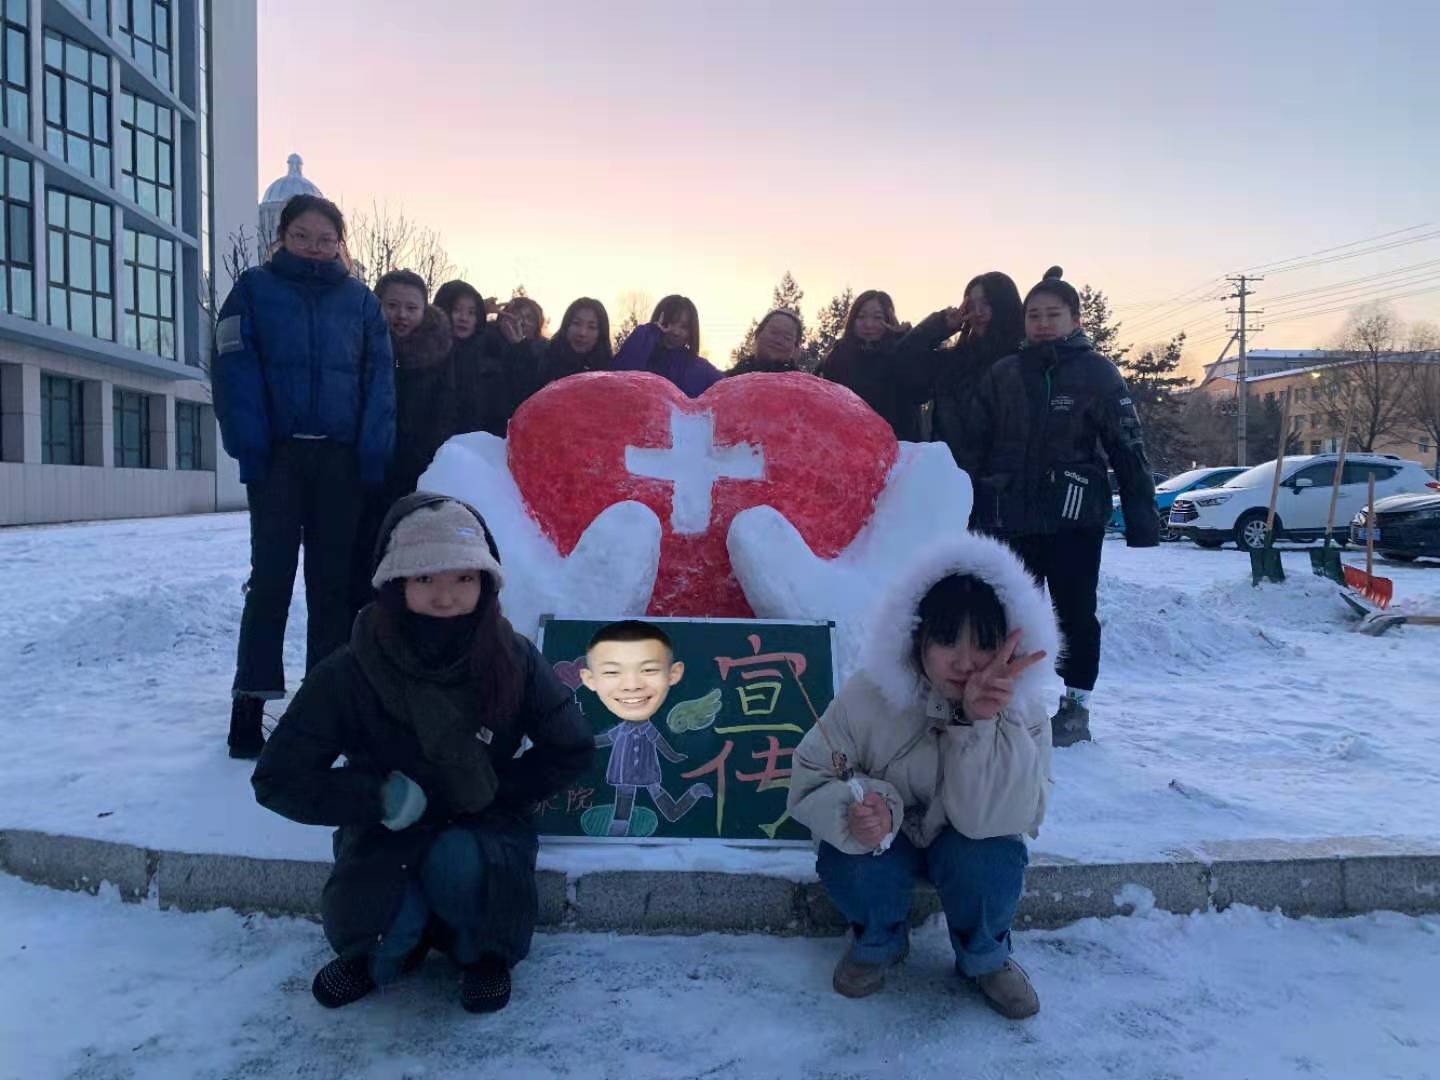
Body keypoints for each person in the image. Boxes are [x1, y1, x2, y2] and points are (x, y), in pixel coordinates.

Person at [252, 494, 595, 1013]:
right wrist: (377, 796)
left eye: (463, 577)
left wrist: (498, 790)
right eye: (425, 578)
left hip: (483, 831)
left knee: (458, 862)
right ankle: (388, 946)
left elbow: (569, 746)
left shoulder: (513, 656)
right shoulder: (350, 670)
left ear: (486, 583)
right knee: (382, 936)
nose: (445, 596)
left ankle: (481, 954)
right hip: (386, 835)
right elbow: (278, 777)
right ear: (396, 584)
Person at [788, 535, 1058, 1019]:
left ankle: (985, 956)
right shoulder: (869, 696)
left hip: (967, 841)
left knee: (991, 853)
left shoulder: (1024, 711)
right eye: (947, 639)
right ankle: (879, 940)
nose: (965, 660)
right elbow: (810, 775)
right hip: (890, 846)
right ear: (917, 639)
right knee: (852, 857)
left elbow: (1008, 816)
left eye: (985, 643)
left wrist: (981, 723)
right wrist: (859, 808)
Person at [212, 194, 394, 760]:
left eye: (326, 238)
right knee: (269, 579)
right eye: (303, 236)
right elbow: (233, 369)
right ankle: (249, 703)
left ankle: (324, 706)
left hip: (339, 462)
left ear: (341, 243)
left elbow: (379, 381)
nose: (315, 247)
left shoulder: (361, 302)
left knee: (331, 587)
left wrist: (371, 452)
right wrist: (252, 446)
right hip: (278, 459)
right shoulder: (252, 292)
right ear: (282, 237)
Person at [956, 267, 1159, 746]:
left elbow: (1128, 446)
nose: (1043, 323)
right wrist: (971, 502)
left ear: (1074, 318)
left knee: (1073, 613)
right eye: (1034, 315)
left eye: (1053, 314)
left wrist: (1141, 517)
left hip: (1073, 519)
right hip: (1010, 517)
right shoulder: (1004, 373)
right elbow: (973, 446)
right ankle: (1001, 702)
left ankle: (1075, 707)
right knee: (1006, 614)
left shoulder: (1097, 373)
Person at [581, 620, 714, 837]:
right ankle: (614, 844)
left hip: (646, 772)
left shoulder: (647, 728)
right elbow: (604, 739)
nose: (631, 688)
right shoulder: (622, 729)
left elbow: (661, 743)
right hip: (624, 774)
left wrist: (674, 756)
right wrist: (580, 739)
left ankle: (694, 793)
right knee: (622, 811)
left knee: (669, 813)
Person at [897, 272, 1025, 460]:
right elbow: (904, 368)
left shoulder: (1026, 361)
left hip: (1003, 482)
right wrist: (939, 325)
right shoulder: (955, 361)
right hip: (953, 477)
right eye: (972, 305)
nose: (978, 312)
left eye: (987, 303)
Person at [377, 270, 456, 500]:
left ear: (424, 310)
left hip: (418, 466)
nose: (401, 315)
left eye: (412, 309)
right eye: (392, 305)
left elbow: (445, 410)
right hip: (366, 465)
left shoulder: (439, 350)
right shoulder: (360, 345)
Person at [817, 290, 925, 441]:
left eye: (877, 317)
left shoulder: (899, 353)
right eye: (861, 317)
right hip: (849, 445)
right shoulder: (836, 357)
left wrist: (906, 341)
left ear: (889, 319)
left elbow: (920, 389)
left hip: (899, 448)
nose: (869, 324)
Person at [434, 279, 515, 438]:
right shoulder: (426, 352)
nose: (464, 318)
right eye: (456, 310)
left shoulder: (489, 354)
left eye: (472, 312)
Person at [612, 294, 722, 397]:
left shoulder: (702, 369)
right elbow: (617, 378)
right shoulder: (642, 351)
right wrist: (651, 331)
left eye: (684, 327)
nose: (676, 332)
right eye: (671, 322)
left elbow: (728, 389)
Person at [534, 297, 613, 390]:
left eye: (591, 327)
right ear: (566, 326)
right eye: (576, 323)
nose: (582, 333)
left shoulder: (609, 372)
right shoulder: (543, 359)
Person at [727, 308, 806, 376]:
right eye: (773, 332)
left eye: (787, 338)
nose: (778, 341)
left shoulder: (805, 387)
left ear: (795, 348)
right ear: (757, 334)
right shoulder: (726, 380)